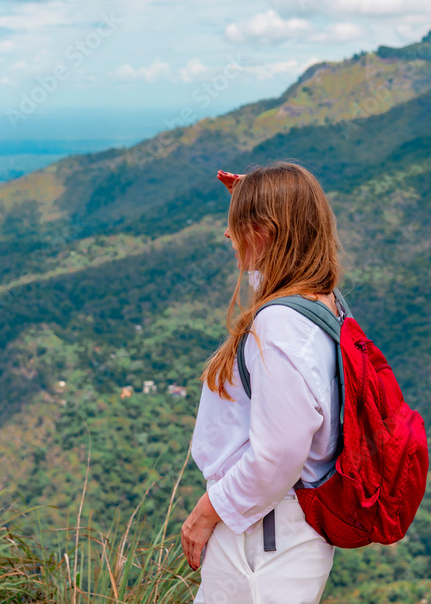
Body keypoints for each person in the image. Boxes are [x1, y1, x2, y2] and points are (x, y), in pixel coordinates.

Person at [183, 161, 344, 603]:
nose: (227, 235)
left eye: (237, 225)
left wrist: (205, 513)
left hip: (262, 536)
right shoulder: (320, 304)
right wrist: (253, 203)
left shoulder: (277, 328)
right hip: (278, 531)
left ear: (266, 232)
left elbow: (278, 457)